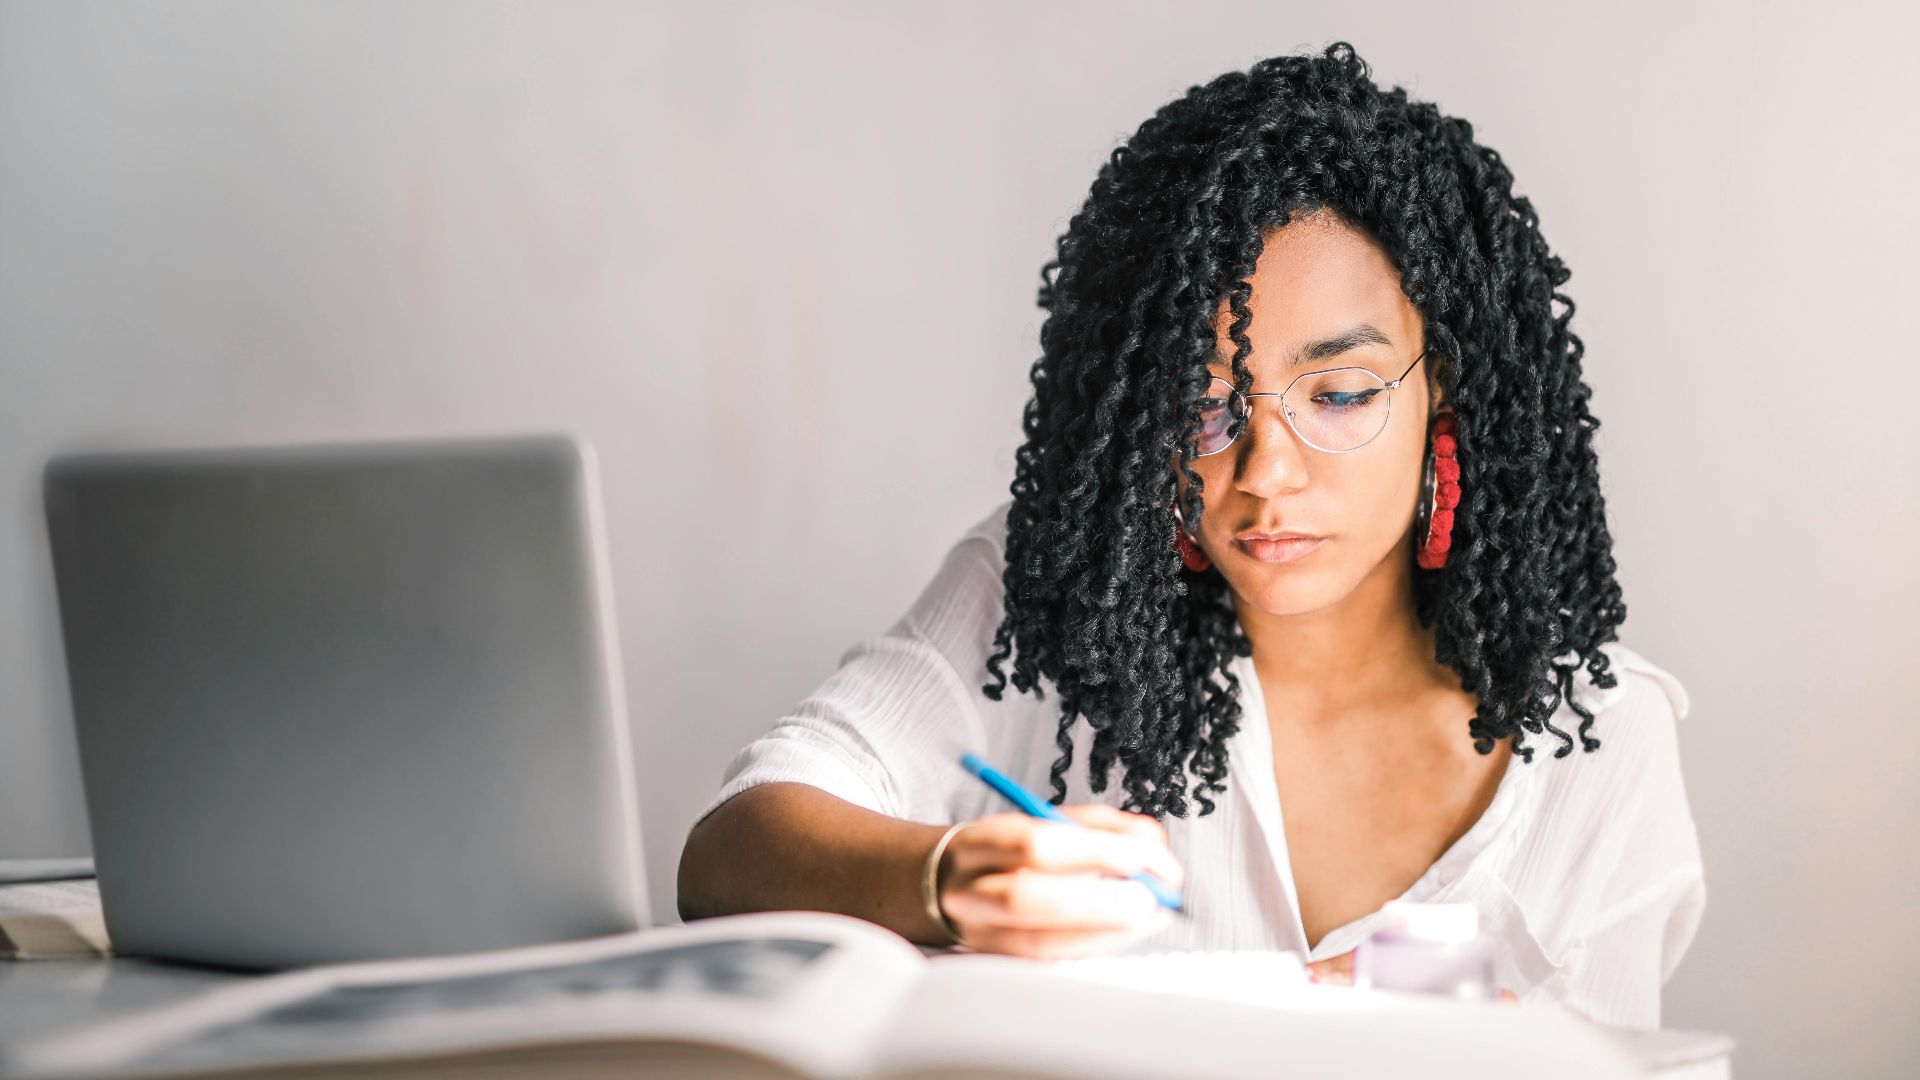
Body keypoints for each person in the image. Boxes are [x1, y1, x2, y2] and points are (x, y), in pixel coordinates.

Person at [678, 41, 1704, 1031]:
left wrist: (1404, 995)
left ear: (1449, 392)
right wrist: (945, 875)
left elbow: (1593, 1034)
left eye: (1340, 394)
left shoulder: (1600, 742)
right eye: (1202, 404)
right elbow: (730, 852)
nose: (1264, 471)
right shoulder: (1047, 594)